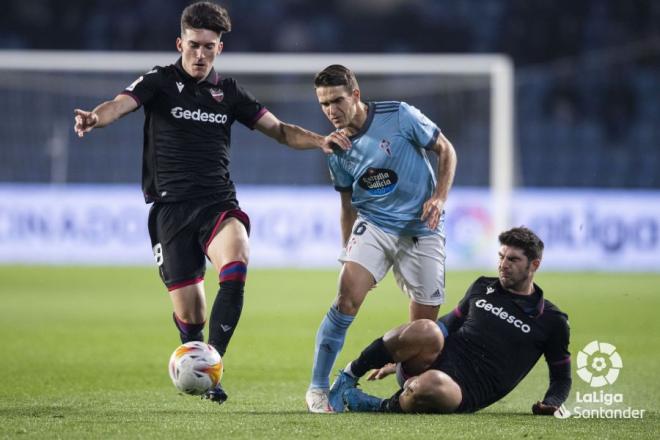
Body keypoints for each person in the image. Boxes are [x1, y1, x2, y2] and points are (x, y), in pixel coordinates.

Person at [73, 1, 347, 405]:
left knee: (236, 263)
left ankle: (213, 368)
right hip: (170, 210)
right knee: (192, 316)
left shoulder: (229, 92)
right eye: (194, 45)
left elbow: (282, 131)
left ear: (220, 48)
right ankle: (195, 348)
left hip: (217, 201)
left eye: (209, 46)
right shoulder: (159, 81)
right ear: (180, 42)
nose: (200, 54)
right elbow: (120, 104)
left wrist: (321, 140)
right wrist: (95, 118)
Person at [306, 65, 457, 413]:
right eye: (324, 104)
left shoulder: (400, 115)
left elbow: (446, 150)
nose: (331, 111)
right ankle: (318, 388)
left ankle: (406, 387)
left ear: (355, 95)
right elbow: (347, 203)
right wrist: (349, 250)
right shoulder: (336, 148)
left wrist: (440, 198)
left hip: (422, 229)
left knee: (423, 333)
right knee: (346, 299)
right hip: (374, 225)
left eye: (337, 101)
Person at [327, 226, 572, 415]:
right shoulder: (482, 286)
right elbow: (446, 325)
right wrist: (399, 357)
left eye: (513, 260)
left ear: (535, 264)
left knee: (432, 383)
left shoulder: (552, 321)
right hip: (433, 361)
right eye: (501, 257)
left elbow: (561, 377)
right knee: (427, 329)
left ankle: (380, 406)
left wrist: (551, 403)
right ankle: (348, 376)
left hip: (462, 390)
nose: (503, 265)